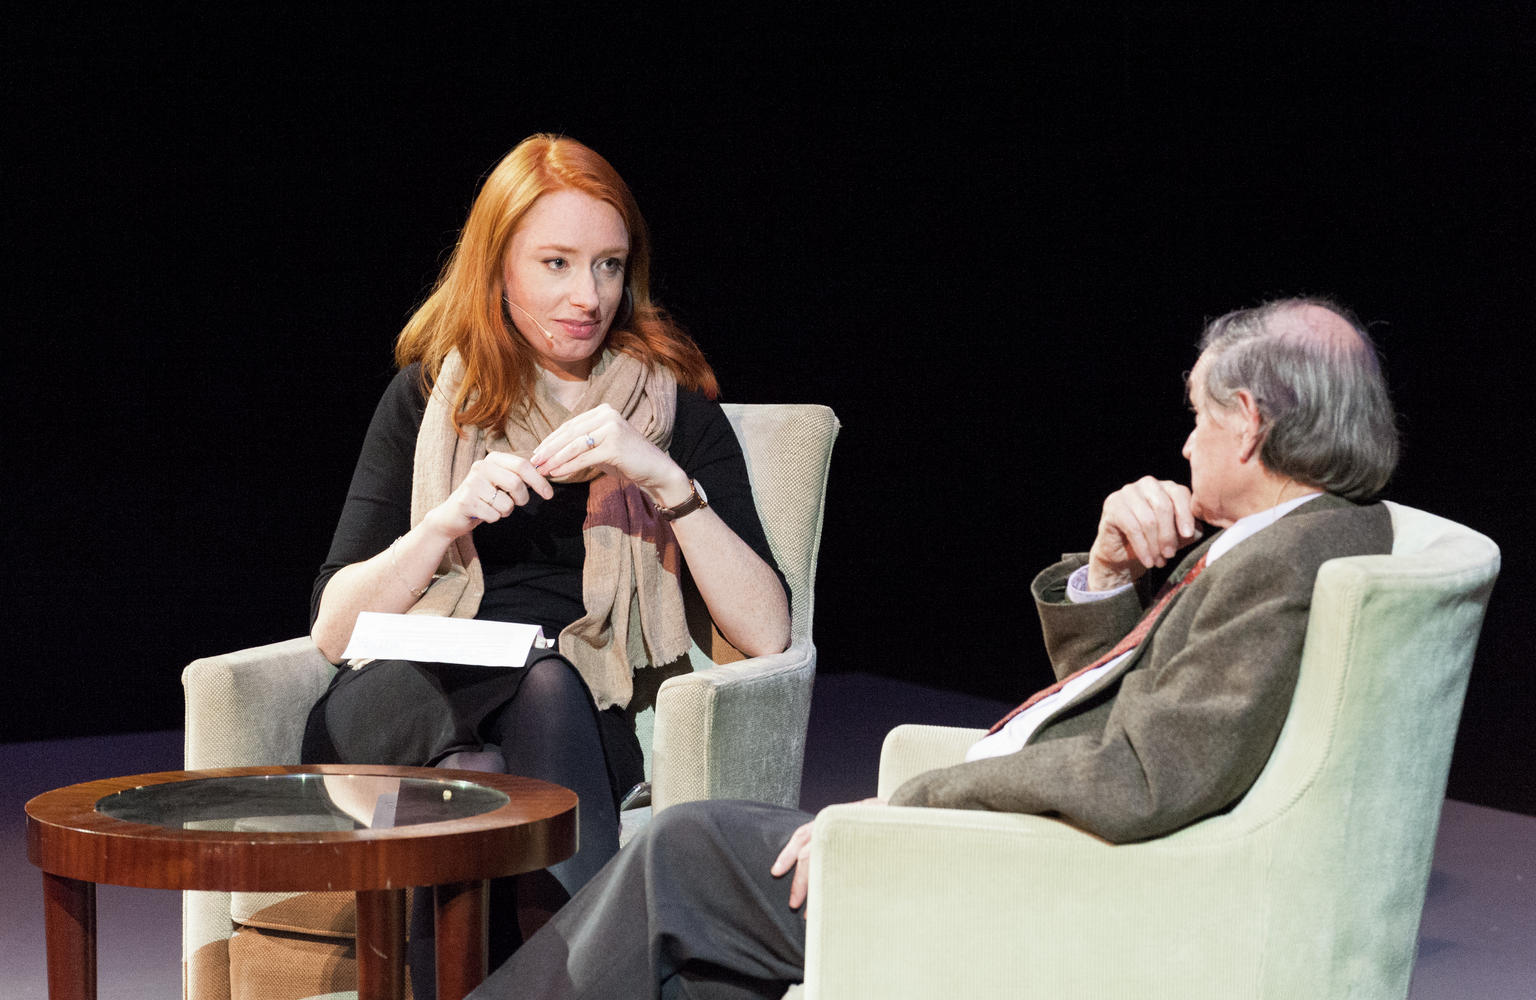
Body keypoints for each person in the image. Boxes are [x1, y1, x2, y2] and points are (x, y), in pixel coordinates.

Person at [467, 297, 1401, 999]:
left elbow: (1145, 778)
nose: (1189, 446)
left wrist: (900, 809)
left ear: (1250, 421)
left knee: (683, 850)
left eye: (1200, 419)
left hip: (1040, 880)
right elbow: (1126, 707)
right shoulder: (1302, 540)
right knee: (702, 941)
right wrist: (1110, 572)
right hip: (1032, 845)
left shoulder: (1287, 562)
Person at [299, 135, 790, 995]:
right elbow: (337, 631)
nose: (586, 295)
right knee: (526, 697)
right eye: (556, 263)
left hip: (569, 709)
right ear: (498, 267)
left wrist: (663, 477)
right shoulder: (427, 394)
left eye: (607, 265)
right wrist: (441, 525)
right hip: (407, 692)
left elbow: (768, 627)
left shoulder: (669, 408)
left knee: (495, 751)